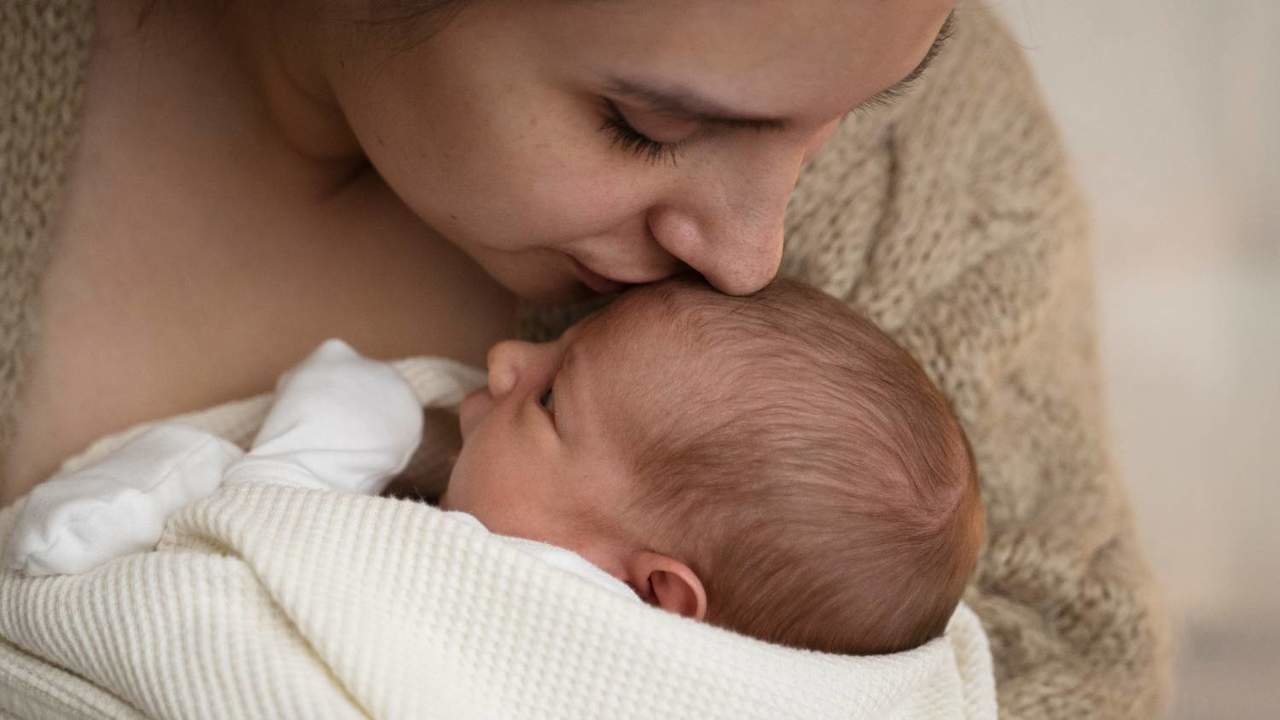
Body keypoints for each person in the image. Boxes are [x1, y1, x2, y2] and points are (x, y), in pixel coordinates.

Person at [0, 0, 1168, 716]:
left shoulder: (933, 144)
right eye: (650, 125)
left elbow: (1069, 666)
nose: (753, 257)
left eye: (847, 119)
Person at [10, 279, 984, 658]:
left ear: (654, 594)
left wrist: (336, 440)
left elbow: (263, 578)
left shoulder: (544, 623)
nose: (510, 359)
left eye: (551, 400)